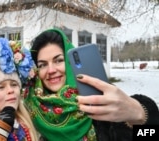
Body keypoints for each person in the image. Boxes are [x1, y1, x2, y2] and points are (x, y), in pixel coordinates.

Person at [23, 28, 159, 141]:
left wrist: (140, 114)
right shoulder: (30, 110)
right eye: (42, 65)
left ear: (70, 63)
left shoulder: (102, 101)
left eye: (58, 60)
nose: (51, 70)